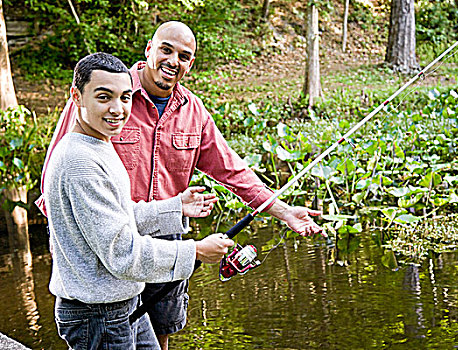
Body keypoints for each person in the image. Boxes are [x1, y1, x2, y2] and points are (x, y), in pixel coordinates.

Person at [37, 22, 326, 349]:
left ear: (191, 64)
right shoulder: (98, 96)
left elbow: (232, 170)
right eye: (166, 49)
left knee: (160, 329)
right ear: (149, 49)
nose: (173, 60)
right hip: (107, 256)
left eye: (184, 56)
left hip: (162, 232)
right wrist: (66, 247)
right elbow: (57, 181)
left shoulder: (192, 112)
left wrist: (283, 211)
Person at [45, 52, 234, 349]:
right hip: (97, 314)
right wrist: (195, 251)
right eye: (104, 97)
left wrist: (174, 207)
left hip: (123, 301)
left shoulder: (97, 143)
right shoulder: (79, 161)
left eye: (125, 98)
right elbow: (122, 252)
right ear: (77, 97)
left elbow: (118, 215)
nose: (117, 109)